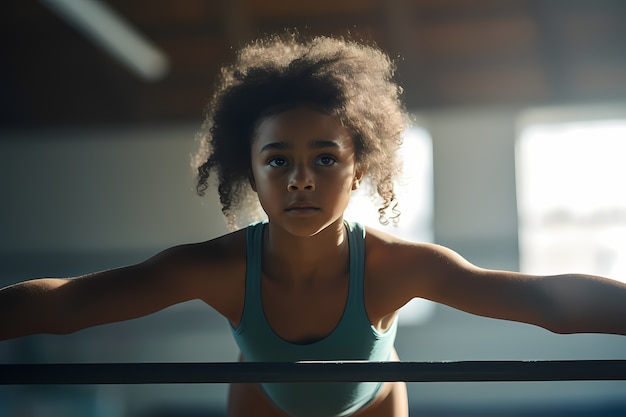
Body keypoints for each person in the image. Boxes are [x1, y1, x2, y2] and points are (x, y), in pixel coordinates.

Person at [2, 32, 626, 417]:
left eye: (325, 158)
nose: (301, 178)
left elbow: (549, 301)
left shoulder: (395, 268)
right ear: (249, 170)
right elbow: (69, 304)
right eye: (279, 160)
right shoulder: (215, 269)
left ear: (359, 171)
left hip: (373, 408)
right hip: (259, 405)